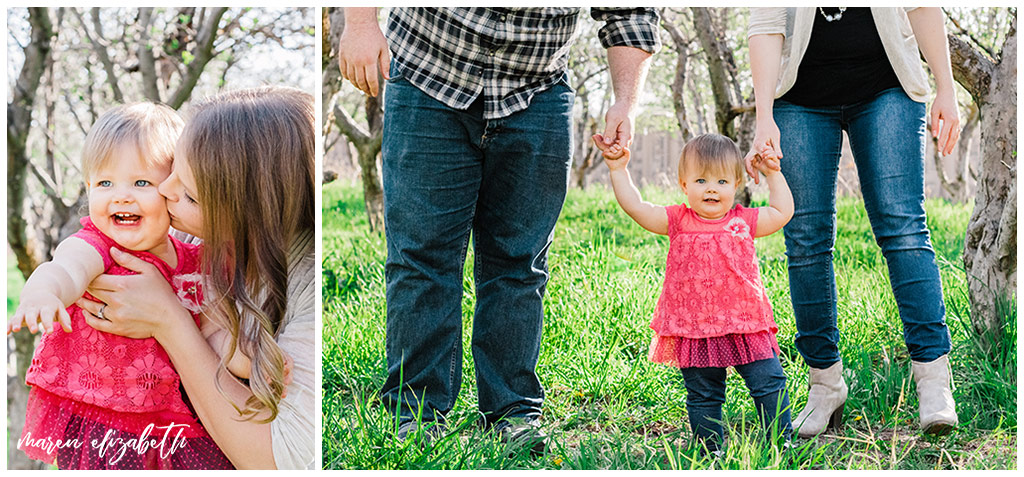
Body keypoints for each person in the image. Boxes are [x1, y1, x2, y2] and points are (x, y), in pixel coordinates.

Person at [337, 7, 660, 448]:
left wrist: (626, 101)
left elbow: (631, 12)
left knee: (519, 263)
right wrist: (359, 24)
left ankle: (512, 412)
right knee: (421, 258)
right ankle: (415, 413)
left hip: (537, 88)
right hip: (429, 72)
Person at [73, 86, 316, 469]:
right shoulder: (178, 234)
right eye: (172, 170)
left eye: (188, 193)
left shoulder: (311, 284)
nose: (164, 190)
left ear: (245, 214)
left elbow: (280, 461)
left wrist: (169, 321)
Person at [747, 7, 961, 437]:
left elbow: (920, 6)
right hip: (799, 98)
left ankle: (934, 381)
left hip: (888, 88)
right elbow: (766, 26)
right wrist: (764, 112)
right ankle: (825, 384)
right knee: (805, 239)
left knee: (902, 228)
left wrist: (946, 86)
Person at [7, 103, 241, 469]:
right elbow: (66, 269)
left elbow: (214, 332)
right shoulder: (99, 247)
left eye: (141, 183)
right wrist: (44, 293)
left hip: (179, 419)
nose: (121, 196)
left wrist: (250, 359)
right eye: (105, 183)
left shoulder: (196, 261)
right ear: (89, 187)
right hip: (107, 421)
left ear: (172, 189)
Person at [595, 133, 794, 452]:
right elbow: (637, 208)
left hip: (745, 323)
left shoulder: (743, 221)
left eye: (721, 180)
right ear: (684, 184)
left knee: (768, 382)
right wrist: (618, 170)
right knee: (703, 393)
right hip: (695, 328)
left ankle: (781, 441)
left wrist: (773, 174)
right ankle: (709, 448)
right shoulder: (678, 220)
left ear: (737, 184)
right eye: (701, 180)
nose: (711, 188)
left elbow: (782, 212)